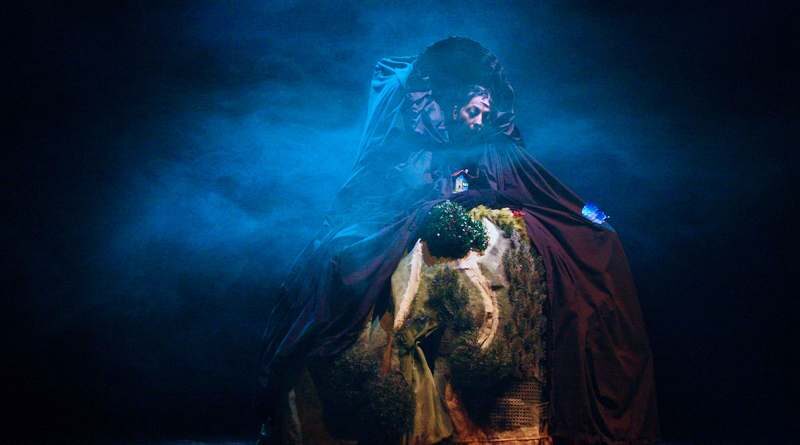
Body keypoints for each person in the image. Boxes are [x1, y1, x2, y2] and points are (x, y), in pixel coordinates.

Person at [256, 36, 659, 444]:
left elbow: (547, 189)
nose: (480, 120)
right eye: (473, 111)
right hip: (419, 233)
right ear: (453, 108)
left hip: (478, 236)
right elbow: (378, 195)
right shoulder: (416, 148)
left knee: (586, 250)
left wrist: (588, 215)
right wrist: (429, 202)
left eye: (485, 112)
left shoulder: (495, 150)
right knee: (347, 259)